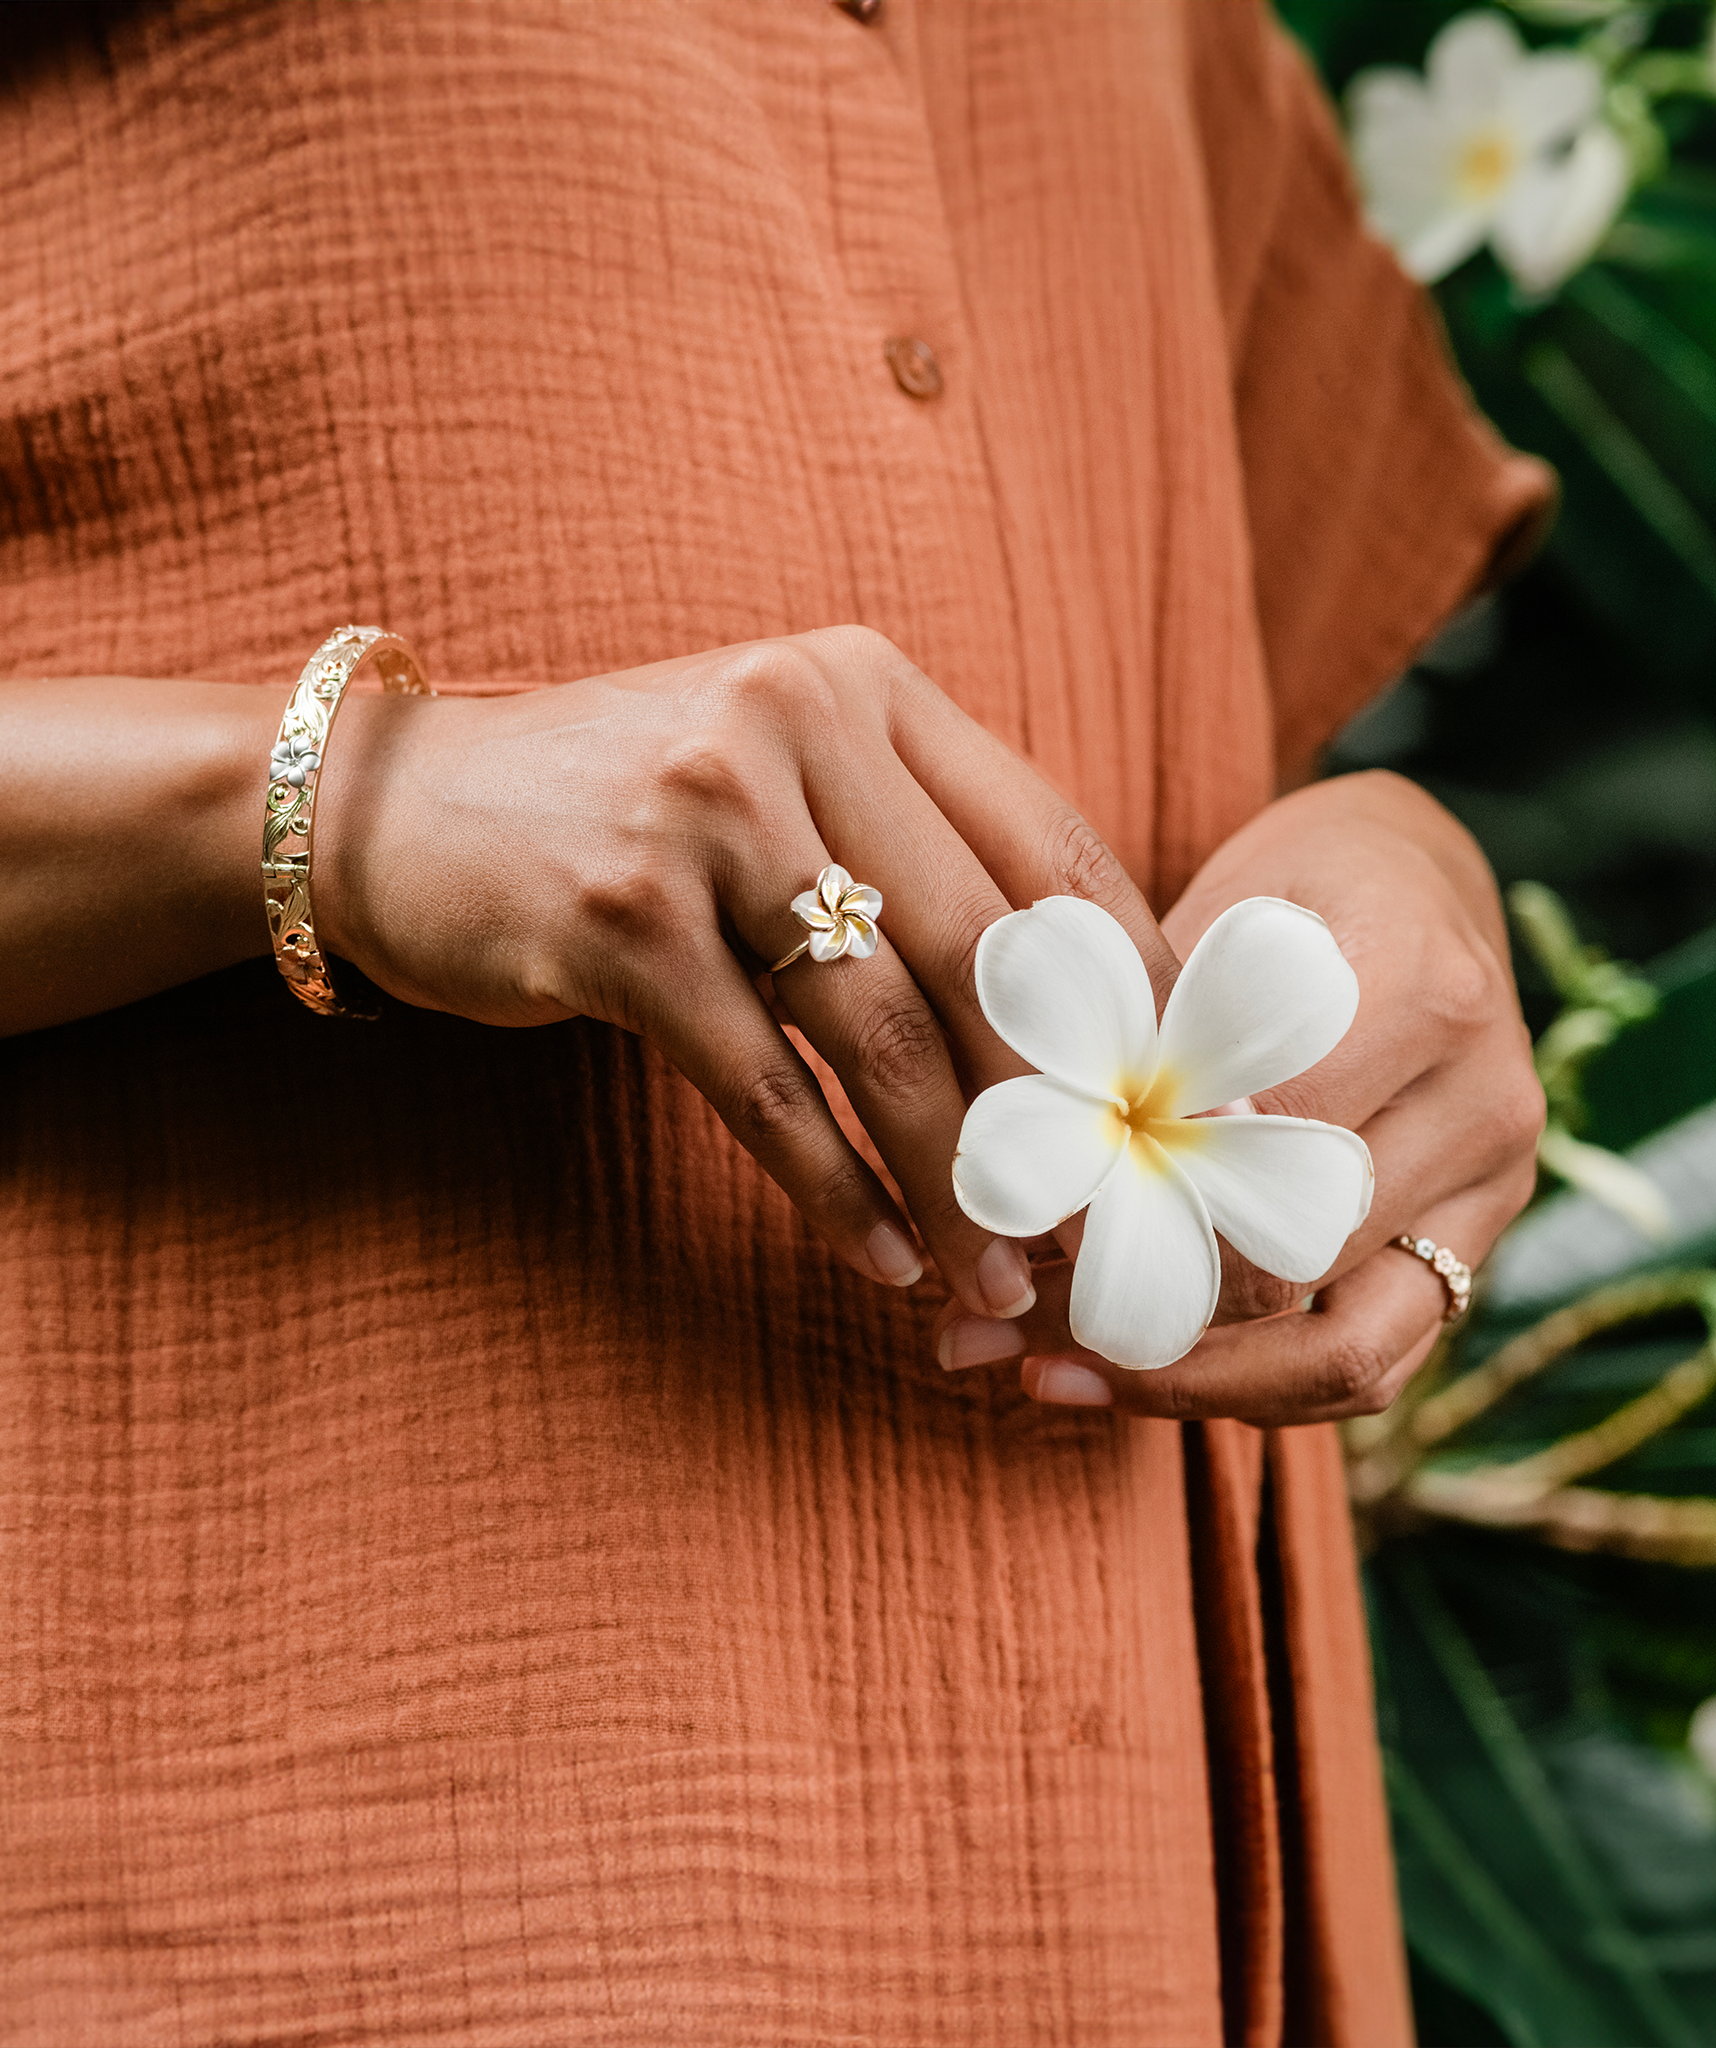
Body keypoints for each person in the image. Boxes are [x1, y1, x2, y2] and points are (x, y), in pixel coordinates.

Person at [0, 3, 1552, 2041]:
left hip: (1115, 1883)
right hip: (295, 1832)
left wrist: (1408, 874)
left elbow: (1188, 721)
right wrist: (341, 807)